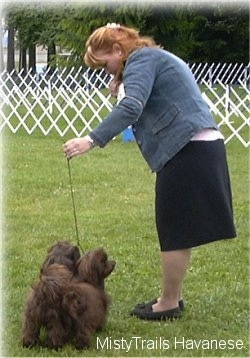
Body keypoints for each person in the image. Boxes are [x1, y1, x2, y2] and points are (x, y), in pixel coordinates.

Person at [63, 23, 236, 321]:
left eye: (105, 63)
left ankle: (167, 304)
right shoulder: (153, 57)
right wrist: (122, 83)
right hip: (197, 147)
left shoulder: (141, 59)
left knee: (173, 230)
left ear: (118, 50)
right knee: (178, 228)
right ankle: (172, 298)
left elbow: (132, 108)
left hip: (187, 149)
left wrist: (90, 140)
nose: (105, 71)